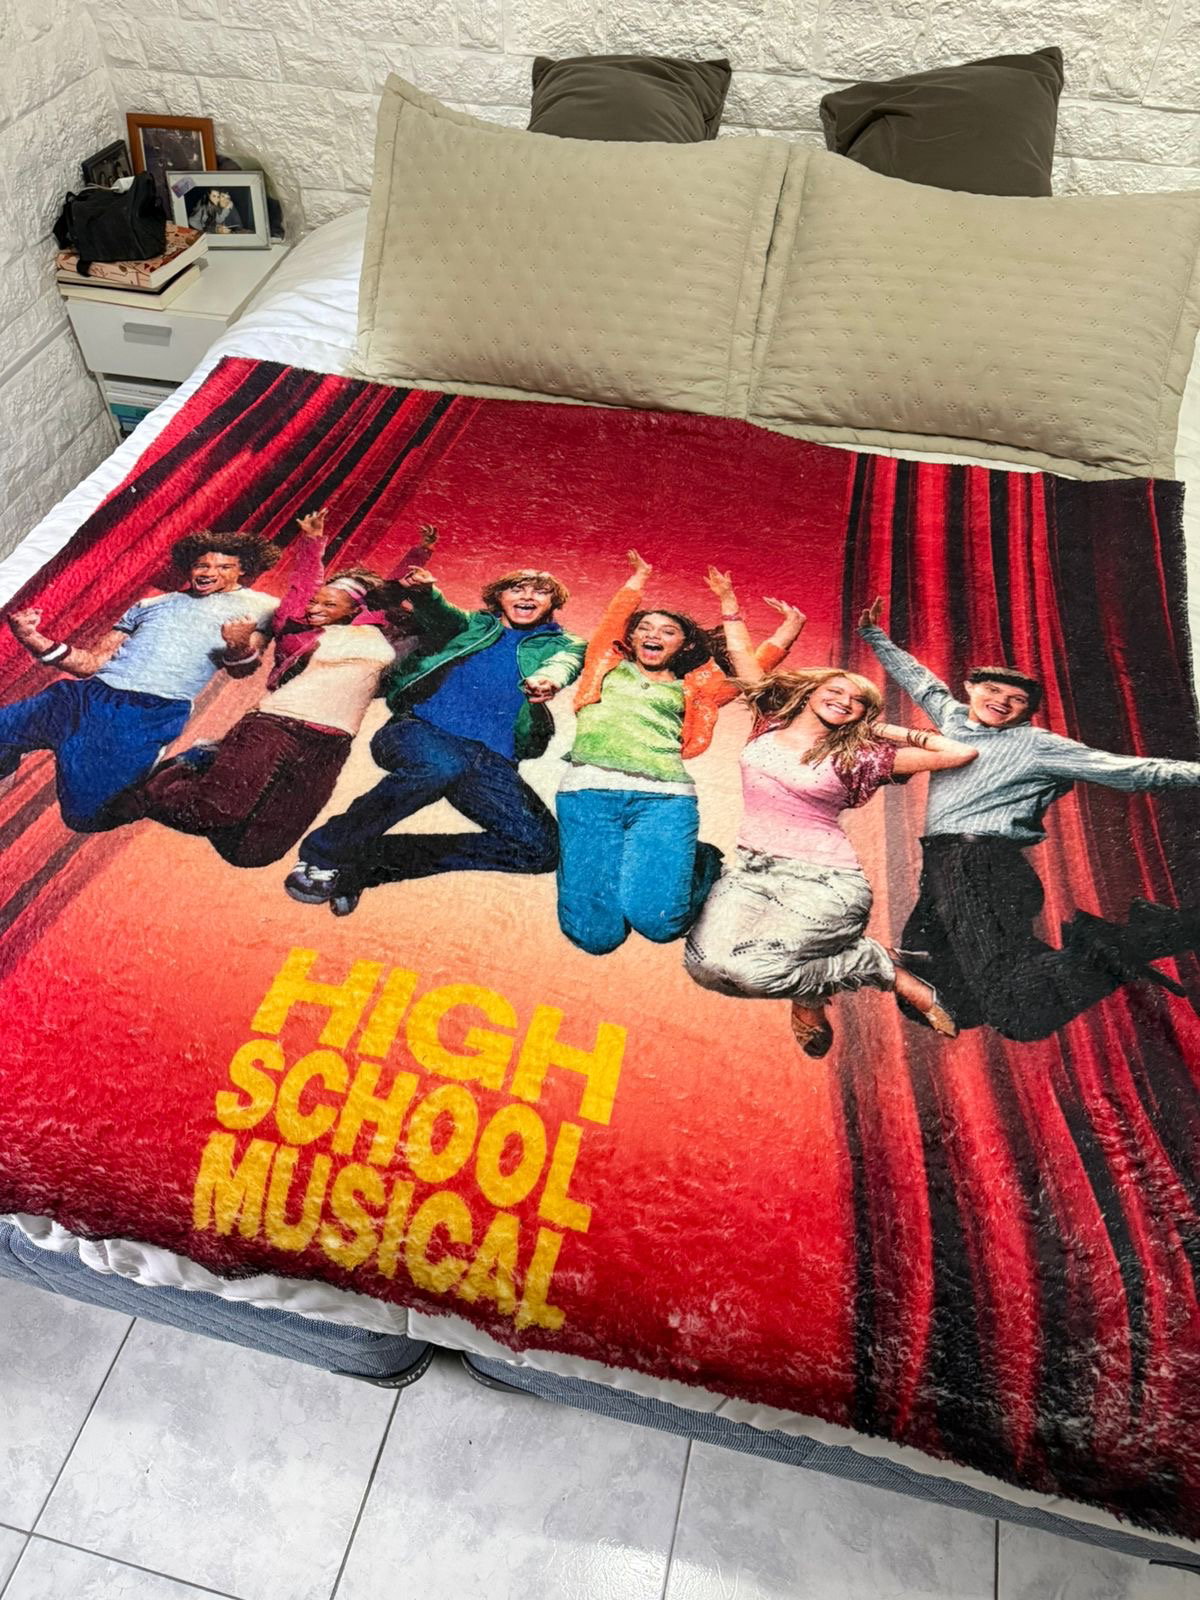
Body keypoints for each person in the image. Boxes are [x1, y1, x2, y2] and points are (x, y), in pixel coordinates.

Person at [859, 597, 1200, 1041]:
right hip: (943, 866)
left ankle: (1146, 937)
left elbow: (1132, 771)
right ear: (970, 688)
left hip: (981, 865)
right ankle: (1142, 936)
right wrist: (874, 636)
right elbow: (921, 683)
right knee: (936, 999)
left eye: (1016, 700)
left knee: (1018, 1012)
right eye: (992, 691)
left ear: (1027, 711)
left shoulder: (1038, 745)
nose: (1001, 702)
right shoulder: (955, 720)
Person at [684, 572, 977, 1056]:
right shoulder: (768, 723)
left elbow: (959, 753)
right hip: (751, 873)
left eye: (859, 702)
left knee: (752, 972)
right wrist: (729, 602)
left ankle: (879, 967)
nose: (845, 701)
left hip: (824, 883)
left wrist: (883, 730)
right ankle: (815, 987)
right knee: (704, 966)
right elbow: (743, 660)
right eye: (837, 691)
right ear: (811, 692)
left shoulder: (860, 757)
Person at [108, 511, 437, 867]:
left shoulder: (373, 633)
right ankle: (163, 783)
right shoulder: (300, 629)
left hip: (332, 744)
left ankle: (216, 764)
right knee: (211, 812)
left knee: (253, 853)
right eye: (315, 601)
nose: (316, 608)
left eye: (329, 603)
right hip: (277, 727)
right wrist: (313, 542)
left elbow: (389, 596)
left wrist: (419, 554)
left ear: (356, 609)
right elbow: (304, 588)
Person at [284, 564, 586, 915]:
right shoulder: (472, 625)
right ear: (499, 597)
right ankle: (326, 852)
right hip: (418, 731)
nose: (528, 596)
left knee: (540, 849)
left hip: (489, 760)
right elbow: (441, 614)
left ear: (553, 603)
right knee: (441, 765)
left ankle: (367, 864)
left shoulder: (565, 644)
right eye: (517, 589)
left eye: (540, 592)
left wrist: (549, 679)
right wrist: (426, 592)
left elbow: (565, 662)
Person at [554, 551, 805, 956]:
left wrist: (786, 629)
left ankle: (701, 861)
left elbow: (752, 669)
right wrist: (639, 578)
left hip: (664, 799)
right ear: (632, 638)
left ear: (684, 644)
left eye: (667, 631)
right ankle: (649, 870)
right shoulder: (604, 665)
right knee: (596, 938)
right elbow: (613, 620)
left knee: (660, 925)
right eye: (644, 628)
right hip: (587, 794)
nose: (653, 635)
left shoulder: (697, 692)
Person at [2, 532, 280, 832]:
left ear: (243, 569)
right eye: (202, 565)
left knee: (86, 818)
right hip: (84, 697)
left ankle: (192, 761)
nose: (208, 573)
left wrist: (238, 644)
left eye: (223, 567)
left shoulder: (262, 607)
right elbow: (91, 664)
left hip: (144, 714)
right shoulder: (151, 605)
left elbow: (243, 670)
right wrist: (32, 638)